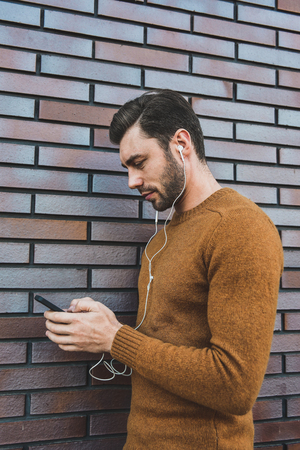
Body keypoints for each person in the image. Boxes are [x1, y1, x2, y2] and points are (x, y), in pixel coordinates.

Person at [45, 90, 284, 450]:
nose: (131, 180)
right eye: (126, 167)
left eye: (139, 162)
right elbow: (164, 341)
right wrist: (106, 328)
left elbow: (235, 386)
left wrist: (115, 338)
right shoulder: (160, 240)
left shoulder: (240, 227)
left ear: (181, 143)